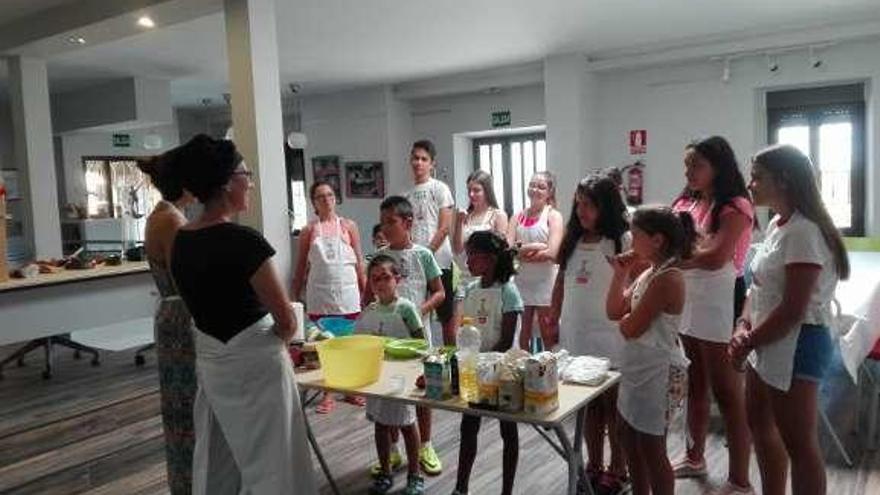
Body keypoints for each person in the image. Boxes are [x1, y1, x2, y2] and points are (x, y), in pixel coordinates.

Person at [169, 134, 316, 494]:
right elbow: (286, 320)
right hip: (257, 366)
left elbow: (198, 306)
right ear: (226, 182)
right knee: (275, 459)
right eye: (245, 173)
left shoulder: (181, 241)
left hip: (214, 363)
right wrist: (267, 342)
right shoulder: (244, 241)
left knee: (221, 456)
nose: (250, 181)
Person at [729, 144, 849, 495]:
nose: (750, 184)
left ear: (783, 180)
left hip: (797, 342)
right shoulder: (779, 226)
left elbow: (794, 308)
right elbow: (759, 288)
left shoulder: (805, 231)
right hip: (765, 338)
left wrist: (748, 340)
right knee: (760, 426)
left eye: (757, 177)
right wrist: (742, 325)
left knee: (799, 442)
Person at [670, 136, 755, 494]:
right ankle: (695, 456)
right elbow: (673, 239)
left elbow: (718, 256)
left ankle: (739, 478)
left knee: (728, 392)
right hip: (690, 297)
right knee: (696, 383)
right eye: (687, 165)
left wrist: (672, 259)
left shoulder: (735, 205)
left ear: (717, 167)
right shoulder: (686, 200)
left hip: (720, 300)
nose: (688, 172)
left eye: (697, 166)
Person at [550, 174, 630, 495]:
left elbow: (634, 286)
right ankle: (594, 463)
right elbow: (560, 283)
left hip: (611, 336)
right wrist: (553, 318)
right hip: (576, 332)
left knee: (614, 406)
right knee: (589, 406)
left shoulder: (621, 240)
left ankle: (618, 467)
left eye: (590, 205)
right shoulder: (572, 240)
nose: (582, 211)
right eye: (578, 204)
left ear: (606, 206)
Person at [606, 206, 693, 495]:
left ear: (657, 240)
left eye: (636, 234)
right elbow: (615, 311)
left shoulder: (669, 278)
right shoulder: (649, 273)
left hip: (657, 372)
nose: (630, 240)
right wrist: (621, 274)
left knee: (653, 448)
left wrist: (627, 320)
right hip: (638, 369)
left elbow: (631, 327)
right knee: (627, 435)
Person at [365, 195, 446, 476]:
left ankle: (425, 444)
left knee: (421, 390)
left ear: (408, 222)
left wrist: (419, 310)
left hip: (417, 334)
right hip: (388, 338)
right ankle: (394, 451)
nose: (385, 228)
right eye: (383, 222)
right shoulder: (379, 257)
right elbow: (368, 296)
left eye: (392, 222)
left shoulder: (423, 254)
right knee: (389, 392)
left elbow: (439, 291)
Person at [137, 152, 197, 494]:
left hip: (172, 316)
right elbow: (186, 277)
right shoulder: (172, 221)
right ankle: (191, 482)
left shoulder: (163, 214)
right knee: (187, 410)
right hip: (182, 320)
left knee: (181, 408)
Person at [452, 231, 523, 495]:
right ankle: (461, 487)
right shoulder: (471, 289)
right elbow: (465, 331)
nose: (467, 261)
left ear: (490, 259)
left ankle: (506, 490)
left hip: (503, 372)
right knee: (468, 427)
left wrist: (484, 363)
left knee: (508, 431)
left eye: (472, 255)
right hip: (475, 371)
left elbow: (506, 340)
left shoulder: (508, 291)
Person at [292, 180, 366, 414]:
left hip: (347, 292)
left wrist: (366, 291)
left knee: (348, 343)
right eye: (321, 196)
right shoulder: (308, 231)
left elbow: (360, 260)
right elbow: (301, 266)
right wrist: (294, 298)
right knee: (325, 345)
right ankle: (328, 393)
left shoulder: (349, 226)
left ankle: (351, 389)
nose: (327, 200)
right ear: (314, 202)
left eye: (330, 195)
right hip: (320, 294)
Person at [356, 255, 426, 495]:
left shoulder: (405, 308)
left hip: (402, 377)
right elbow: (358, 340)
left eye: (385, 277)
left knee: (406, 423)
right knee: (380, 424)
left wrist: (419, 369)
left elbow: (421, 341)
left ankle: (415, 474)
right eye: (375, 279)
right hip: (378, 375)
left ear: (397, 279)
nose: (380, 283)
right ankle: (385, 472)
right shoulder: (370, 311)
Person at [405, 139, 456, 350]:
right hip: (414, 262)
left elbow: (444, 227)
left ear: (432, 163)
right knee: (418, 312)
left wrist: (426, 254)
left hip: (439, 260)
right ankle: (422, 357)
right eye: (415, 158)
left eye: (424, 159)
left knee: (446, 318)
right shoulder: (406, 194)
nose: (419, 162)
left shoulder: (440, 188)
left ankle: (452, 362)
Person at [507, 171, 564, 351]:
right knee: (523, 333)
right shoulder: (517, 217)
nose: (535, 189)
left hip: (546, 282)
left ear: (549, 192)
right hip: (522, 281)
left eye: (541, 187)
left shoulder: (553, 216)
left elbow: (553, 252)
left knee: (548, 331)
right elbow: (508, 250)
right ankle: (523, 371)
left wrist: (521, 250)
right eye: (532, 185)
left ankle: (550, 371)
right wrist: (537, 246)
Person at [452, 169, 509, 282]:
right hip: (466, 277)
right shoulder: (465, 216)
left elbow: (500, 251)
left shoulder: (497, 215)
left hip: (488, 278)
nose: (471, 194)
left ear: (487, 191)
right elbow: (457, 250)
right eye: (469, 190)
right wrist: (459, 222)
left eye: (476, 190)